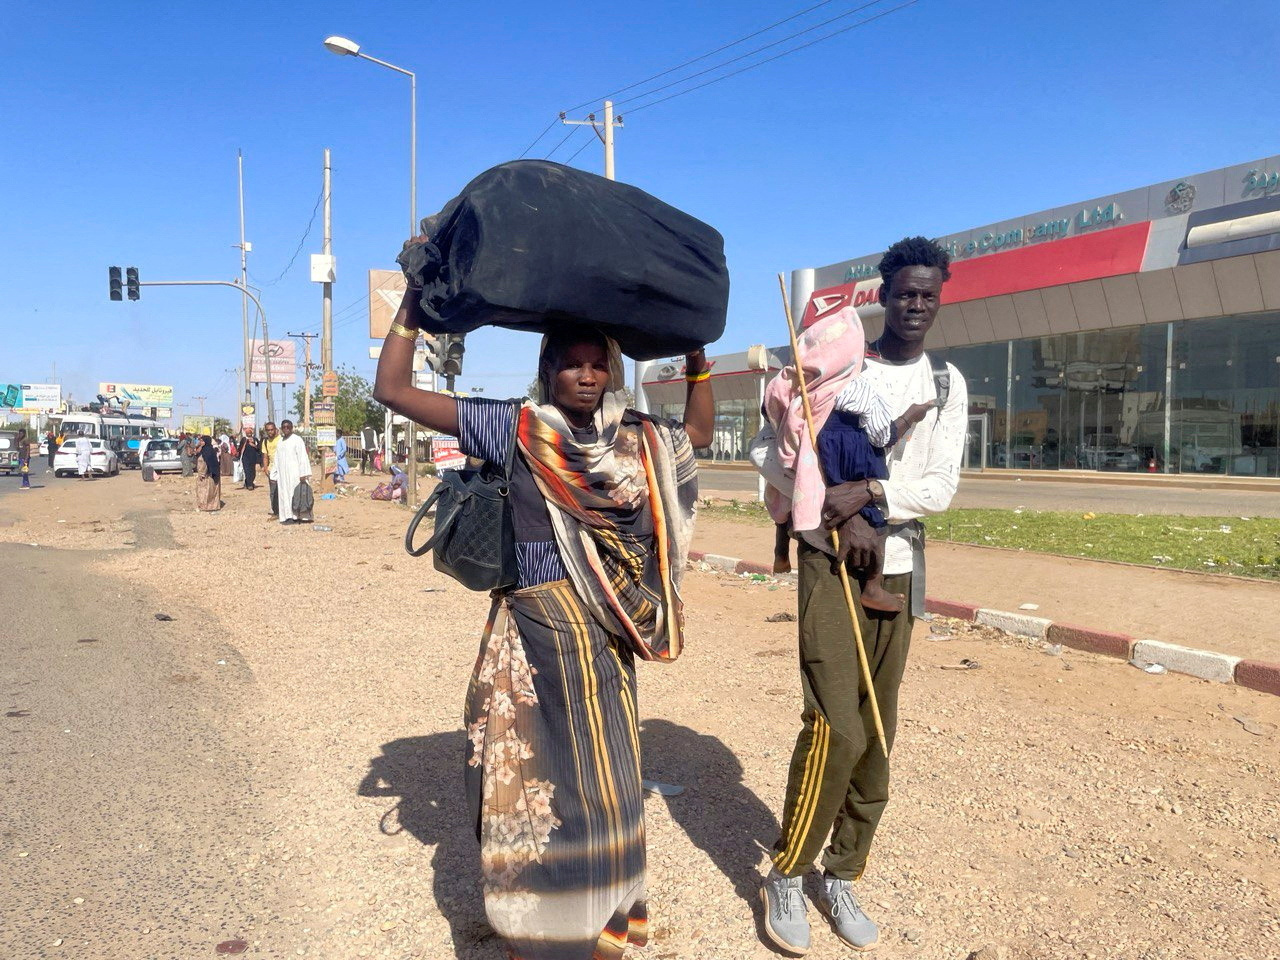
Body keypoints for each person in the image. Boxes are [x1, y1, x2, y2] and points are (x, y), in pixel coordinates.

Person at [372, 280, 712, 960]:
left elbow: (697, 434)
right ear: (546, 369)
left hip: (608, 638)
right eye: (571, 362)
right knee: (538, 791)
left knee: (607, 783)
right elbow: (396, 392)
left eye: (598, 364)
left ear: (612, 372)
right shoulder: (514, 427)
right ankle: (543, 932)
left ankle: (605, 919)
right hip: (536, 638)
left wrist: (696, 353)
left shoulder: (638, 438)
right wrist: (409, 309)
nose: (586, 376)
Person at [751, 237, 968, 954]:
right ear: (883, 293)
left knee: (877, 732)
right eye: (905, 291)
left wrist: (871, 489)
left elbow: (937, 489)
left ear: (941, 298)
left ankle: (842, 872)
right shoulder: (837, 367)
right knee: (833, 725)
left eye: (928, 293)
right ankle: (787, 869)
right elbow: (768, 449)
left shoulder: (945, 385)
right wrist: (819, 503)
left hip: (899, 569)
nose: (916, 304)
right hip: (830, 564)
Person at [763, 307, 936, 611]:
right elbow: (884, 435)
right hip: (856, 469)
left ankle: (780, 552)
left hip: (821, 469)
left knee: (784, 507)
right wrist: (911, 416)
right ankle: (873, 586)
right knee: (878, 525)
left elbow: (773, 414)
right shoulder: (859, 389)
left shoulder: (803, 391)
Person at [271, 420, 312, 524]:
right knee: (284, 495)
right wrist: (274, 474)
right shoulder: (280, 442)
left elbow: (303, 457)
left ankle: (300, 516)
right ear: (281, 428)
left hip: (295, 474)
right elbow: (277, 459)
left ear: (292, 427)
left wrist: (303, 473)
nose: (286, 429)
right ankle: (288, 516)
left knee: (297, 495)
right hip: (283, 475)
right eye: (284, 427)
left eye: (288, 427)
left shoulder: (297, 440)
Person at [195, 435, 221, 511]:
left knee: (207, 491)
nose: (201, 442)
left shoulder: (208, 451)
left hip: (209, 475)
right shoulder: (204, 449)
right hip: (206, 473)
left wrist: (202, 474)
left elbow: (205, 463)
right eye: (201, 441)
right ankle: (206, 505)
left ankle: (208, 506)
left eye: (202, 441)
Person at [260, 422, 280, 516]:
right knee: (273, 491)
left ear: (275, 429)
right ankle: (275, 510)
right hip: (272, 469)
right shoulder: (265, 442)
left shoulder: (281, 439)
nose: (270, 432)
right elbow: (265, 456)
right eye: (268, 430)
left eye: (272, 429)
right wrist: (265, 468)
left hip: (282, 469)